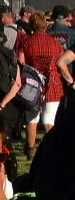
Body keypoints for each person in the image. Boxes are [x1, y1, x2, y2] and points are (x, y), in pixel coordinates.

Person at [19, 11, 65, 154]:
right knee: (49, 119)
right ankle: (53, 149)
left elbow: (21, 63)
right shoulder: (56, 43)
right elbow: (61, 62)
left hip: (32, 83)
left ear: (32, 26)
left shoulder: (26, 42)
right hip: (53, 82)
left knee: (32, 118)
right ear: (45, 25)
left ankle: (31, 149)